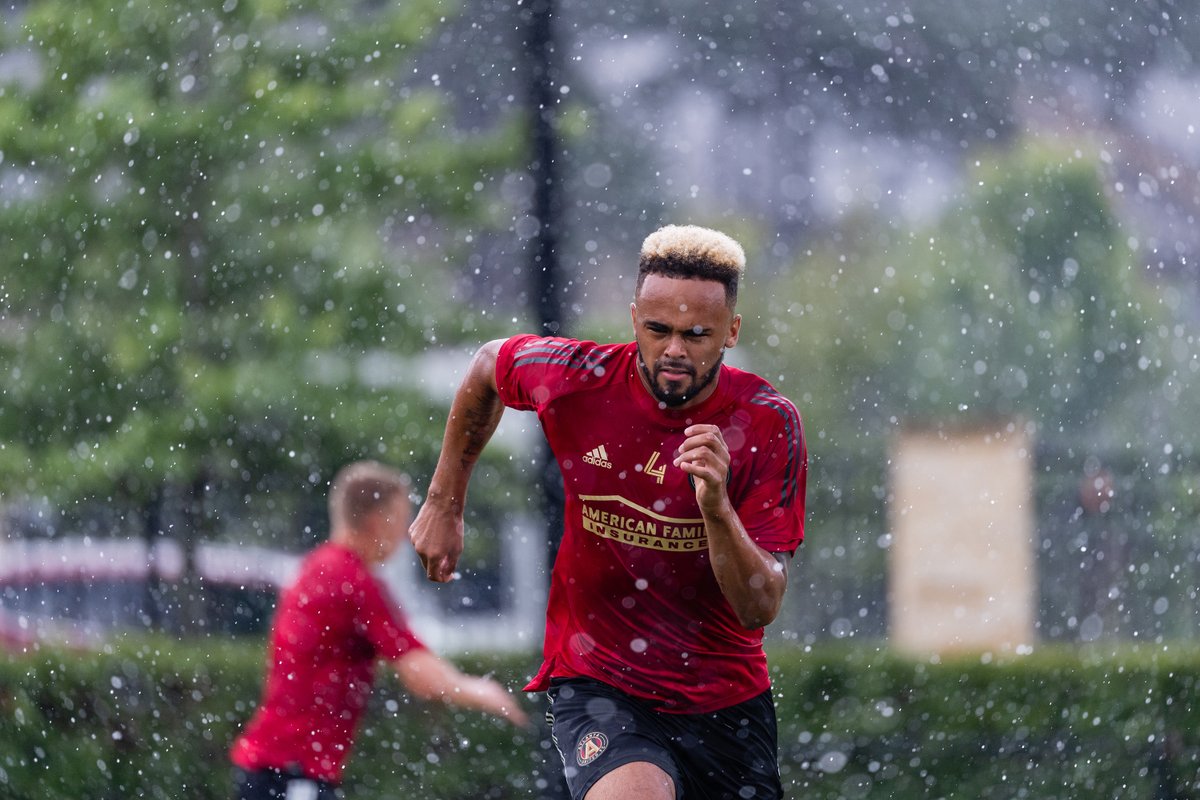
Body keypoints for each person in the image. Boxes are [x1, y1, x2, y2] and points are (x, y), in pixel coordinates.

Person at [410, 224, 807, 800]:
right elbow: (487, 367)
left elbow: (759, 605)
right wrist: (445, 502)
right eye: (658, 330)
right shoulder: (578, 378)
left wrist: (717, 510)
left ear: (731, 332)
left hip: (724, 702)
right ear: (633, 320)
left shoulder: (769, 422)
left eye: (697, 335)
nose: (674, 350)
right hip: (600, 684)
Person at [230, 460, 528, 800]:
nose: (405, 535)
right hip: (292, 772)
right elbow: (420, 675)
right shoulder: (351, 582)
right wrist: (480, 692)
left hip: (276, 771)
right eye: (401, 521)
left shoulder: (318, 567)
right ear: (376, 520)